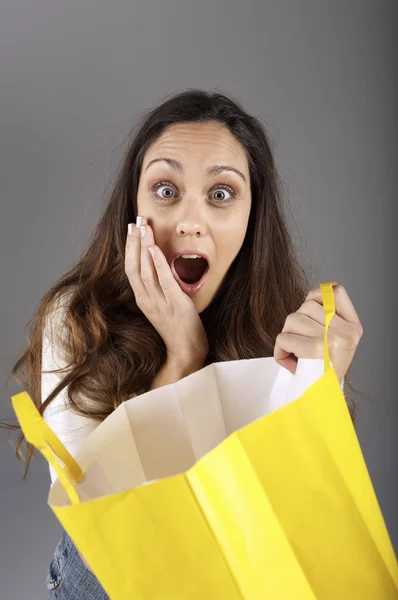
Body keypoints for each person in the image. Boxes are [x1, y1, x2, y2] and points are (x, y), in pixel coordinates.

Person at [4, 89, 363, 598]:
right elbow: (115, 529)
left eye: (221, 194)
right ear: (135, 207)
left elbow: (303, 512)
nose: (190, 220)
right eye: (166, 191)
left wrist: (322, 389)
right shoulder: (76, 317)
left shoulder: (286, 324)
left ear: (251, 218)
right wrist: (183, 356)